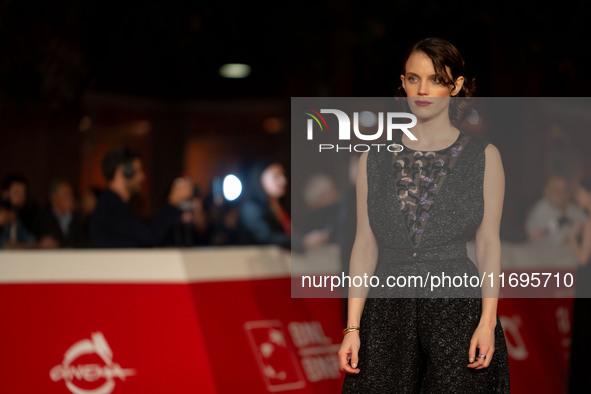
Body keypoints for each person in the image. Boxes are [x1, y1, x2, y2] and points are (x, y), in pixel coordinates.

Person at [338, 37, 510, 392]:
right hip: (387, 311)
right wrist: (352, 328)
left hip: (456, 307)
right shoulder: (373, 159)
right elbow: (364, 245)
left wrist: (487, 320)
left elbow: (489, 242)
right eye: (413, 78)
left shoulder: (484, 156)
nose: (422, 89)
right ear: (402, 83)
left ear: (456, 85)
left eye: (435, 79)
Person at [89, 147, 193, 248]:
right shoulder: (111, 206)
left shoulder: (113, 203)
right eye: (138, 171)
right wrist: (172, 203)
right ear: (123, 172)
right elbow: (150, 236)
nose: (142, 176)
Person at [566, 176, 591, 393]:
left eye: (579, 193)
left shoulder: (590, 219)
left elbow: (583, 258)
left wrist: (573, 237)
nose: (577, 197)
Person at [238, 159, 291, 248]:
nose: (283, 180)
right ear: (261, 178)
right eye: (276, 176)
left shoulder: (280, 207)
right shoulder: (251, 208)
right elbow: (266, 238)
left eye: (283, 175)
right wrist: (303, 241)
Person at [525, 175, 587, 245]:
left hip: (570, 254)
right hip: (543, 254)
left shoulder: (571, 208)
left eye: (564, 189)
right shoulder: (542, 209)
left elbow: (587, 224)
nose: (560, 193)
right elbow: (561, 241)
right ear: (546, 191)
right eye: (555, 190)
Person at [34, 179, 88, 248]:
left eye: (71, 194)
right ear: (53, 199)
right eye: (66, 195)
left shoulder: (79, 218)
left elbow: (84, 242)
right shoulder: (42, 219)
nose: (71, 198)